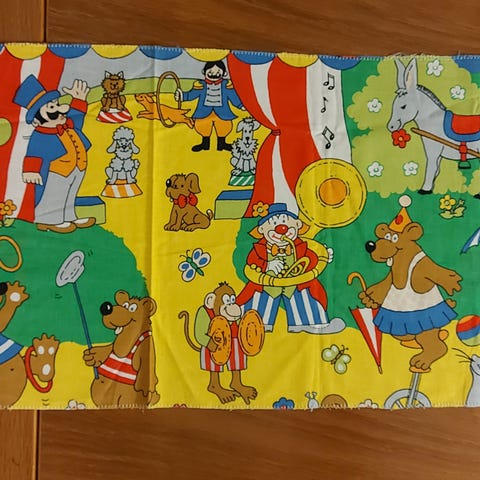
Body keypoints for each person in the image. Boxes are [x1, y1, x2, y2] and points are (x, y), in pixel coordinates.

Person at [237, 203, 345, 334]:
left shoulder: (299, 246)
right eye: (274, 223)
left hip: (296, 284)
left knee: (304, 297)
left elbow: (310, 259)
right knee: (258, 300)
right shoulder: (259, 249)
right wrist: (267, 265)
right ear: (261, 230)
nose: (282, 229)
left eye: (286, 222)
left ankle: (310, 323)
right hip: (266, 284)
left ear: (297, 225)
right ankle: (253, 325)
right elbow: (252, 263)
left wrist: (324, 256)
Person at [13, 75, 95, 233]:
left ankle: (69, 216)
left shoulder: (66, 124)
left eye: (56, 104)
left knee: (71, 193)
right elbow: (34, 152)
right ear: (37, 119)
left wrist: (78, 100)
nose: (58, 108)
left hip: (77, 167)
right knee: (55, 194)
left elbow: (77, 121)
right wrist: (31, 171)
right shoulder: (40, 134)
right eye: (51, 107)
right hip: (56, 170)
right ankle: (49, 220)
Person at [175, 60, 243, 152]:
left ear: (224, 73)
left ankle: (222, 144)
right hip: (204, 111)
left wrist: (240, 105)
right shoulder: (200, 85)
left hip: (222, 112)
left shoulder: (226, 85)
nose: (214, 75)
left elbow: (232, 97)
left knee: (224, 126)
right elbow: (192, 95)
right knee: (202, 126)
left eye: (218, 73)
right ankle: (205, 144)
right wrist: (182, 96)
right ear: (204, 72)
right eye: (210, 72)